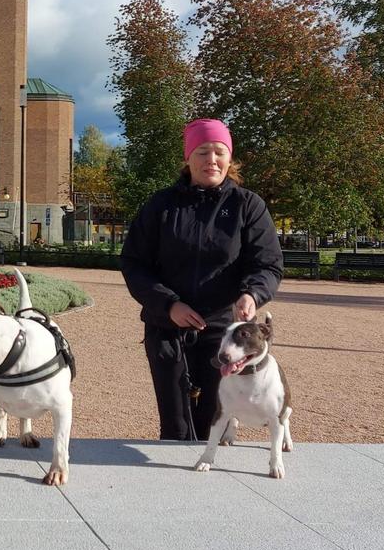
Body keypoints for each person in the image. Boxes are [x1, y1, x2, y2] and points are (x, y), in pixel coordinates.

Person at [120, 118, 283, 441]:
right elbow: (134, 263)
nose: (212, 160)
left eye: (219, 152)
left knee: (215, 423)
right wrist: (169, 304)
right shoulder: (161, 206)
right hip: (167, 330)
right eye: (203, 152)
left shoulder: (248, 206)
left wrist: (252, 294)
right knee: (176, 426)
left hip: (224, 333)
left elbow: (268, 264)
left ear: (230, 158)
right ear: (188, 158)